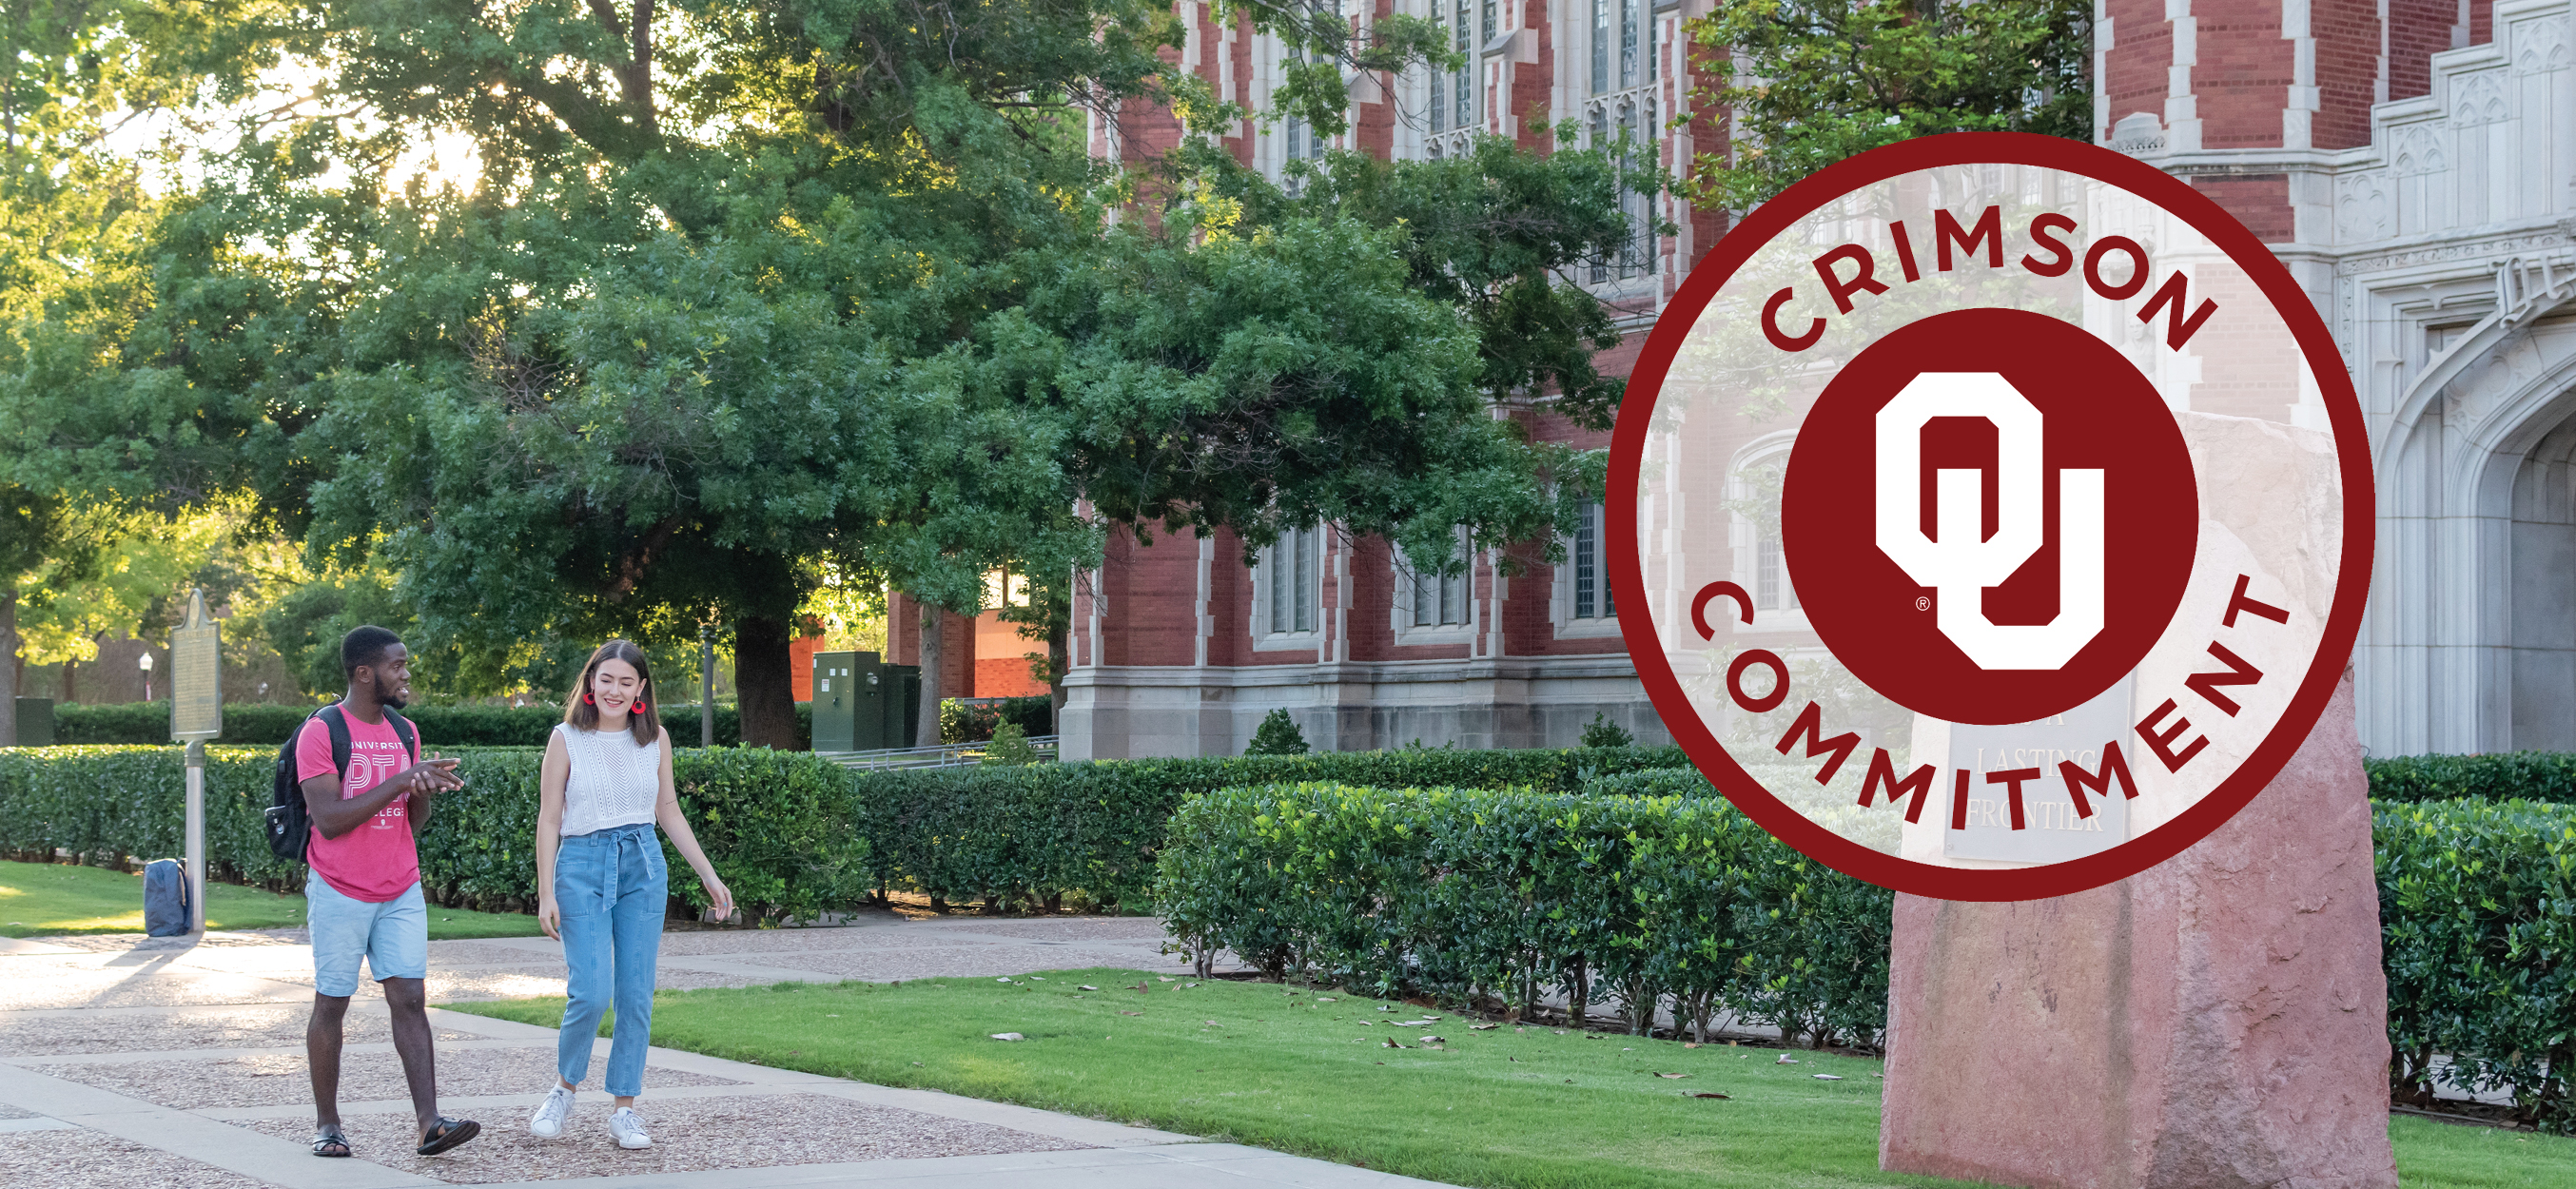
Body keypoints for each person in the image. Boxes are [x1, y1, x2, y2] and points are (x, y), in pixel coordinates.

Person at [528, 640, 735, 1150]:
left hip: (642, 864)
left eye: (626, 682)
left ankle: (625, 1109)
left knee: (636, 994)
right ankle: (563, 1089)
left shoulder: (655, 739)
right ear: (591, 683)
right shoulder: (565, 738)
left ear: (641, 689)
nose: (615, 690)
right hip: (580, 866)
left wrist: (707, 874)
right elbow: (550, 818)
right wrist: (545, 890)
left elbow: (668, 809)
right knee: (591, 991)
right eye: (607, 680)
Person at [301, 625, 478, 1159]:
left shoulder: (405, 732)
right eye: (397, 666)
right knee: (333, 1001)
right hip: (339, 888)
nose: (406, 674)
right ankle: (328, 1124)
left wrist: (423, 788)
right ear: (364, 672)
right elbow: (329, 819)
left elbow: (410, 822)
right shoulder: (322, 731)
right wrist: (402, 781)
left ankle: (430, 1124)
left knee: (410, 998)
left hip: (399, 885)